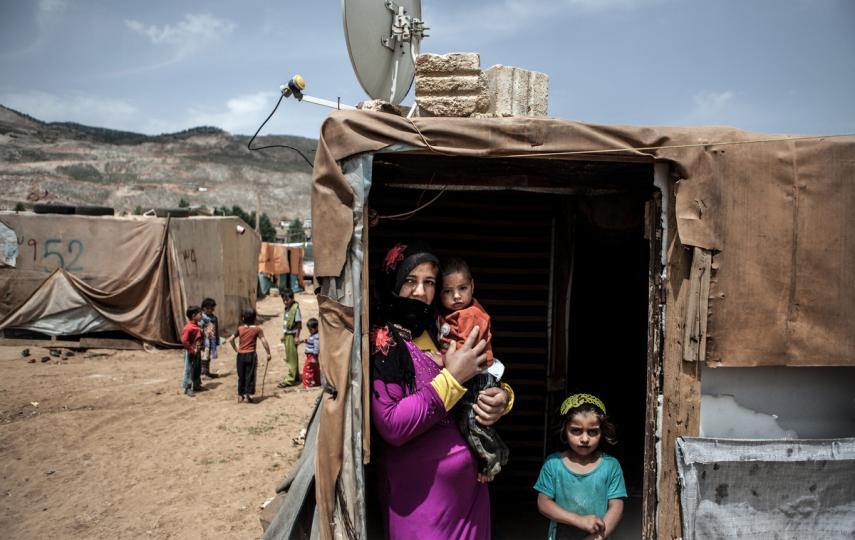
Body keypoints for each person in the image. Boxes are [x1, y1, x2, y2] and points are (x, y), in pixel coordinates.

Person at [370, 242, 514, 540]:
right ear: (393, 281)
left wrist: (503, 399)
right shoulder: (384, 340)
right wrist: (452, 378)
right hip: (421, 505)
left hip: (471, 499)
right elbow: (392, 424)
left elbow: (481, 373)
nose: (421, 292)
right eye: (410, 281)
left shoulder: (439, 327)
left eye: (430, 283)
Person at [438, 257, 509, 481]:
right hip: (470, 375)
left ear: (473, 286)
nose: (456, 296)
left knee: (473, 420)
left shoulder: (471, 315)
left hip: (479, 375)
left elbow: (464, 347)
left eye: (462, 288)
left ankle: (491, 461)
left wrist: (439, 358)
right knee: (467, 419)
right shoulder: (451, 314)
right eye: (448, 291)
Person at [534, 394, 626, 540]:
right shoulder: (553, 464)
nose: (584, 439)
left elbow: (617, 507)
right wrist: (579, 520)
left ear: (602, 432)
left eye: (593, 431)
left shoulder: (610, 466)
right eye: (576, 430)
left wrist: (596, 537)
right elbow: (543, 503)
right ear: (564, 430)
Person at [228, 308, 271, 403]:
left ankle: (240, 396)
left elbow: (231, 339)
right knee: (250, 375)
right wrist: (268, 353)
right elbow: (264, 341)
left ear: (243, 318)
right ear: (254, 318)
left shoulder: (240, 329)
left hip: (240, 355)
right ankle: (247, 396)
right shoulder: (257, 329)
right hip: (251, 355)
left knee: (241, 375)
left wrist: (236, 349)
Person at [279, 288, 302, 388]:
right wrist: (284, 335)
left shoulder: (295, 308)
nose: (285, 301)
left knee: (290, 359)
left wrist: (297, 337)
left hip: (292, 336)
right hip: (287, 335)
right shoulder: (288, 308)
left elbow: (298, 324)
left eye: (287, 299)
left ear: (292, 298)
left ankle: (290, 379)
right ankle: (296, 376)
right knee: (292, 356)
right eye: (283, 300)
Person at [180, 306, 204, 397]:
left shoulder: (197, 326)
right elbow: (184, 341)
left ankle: (197, 385)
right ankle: (187, 387)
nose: (201, 316)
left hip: (197, 351)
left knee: (197, 368)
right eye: (200, 314)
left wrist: (200, 347)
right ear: (193, 316)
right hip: (190, 352)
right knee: (189, 369)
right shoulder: (188, 328)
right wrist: (191, 350)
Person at [297, 318, 320, 388]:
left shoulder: (316, 337)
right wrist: (302, 341)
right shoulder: (313, 335)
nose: (310, 331)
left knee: (307, 369)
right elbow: (309, 340)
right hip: (312, 356)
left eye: (311, 329)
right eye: (309, 329)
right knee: (315, 369)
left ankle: (307, 384)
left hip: (312, 356)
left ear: (316, 328)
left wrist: (314, 357)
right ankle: (318, 381)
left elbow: (316, 347)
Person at [200, 297, 220, 378]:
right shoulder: (202, 318)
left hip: (212, 340)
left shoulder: (214, 318)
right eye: (209, 308)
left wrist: (217, 340)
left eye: (212, 308)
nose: (211, 310)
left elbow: (216, 330)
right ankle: (203, 374)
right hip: (205, 341)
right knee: (204, 357)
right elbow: (200, 330)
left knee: (208, 357)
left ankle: (207, 372)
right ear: (204, 308)